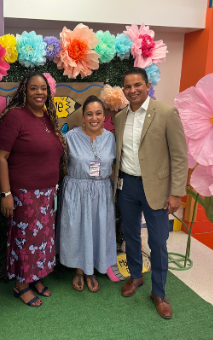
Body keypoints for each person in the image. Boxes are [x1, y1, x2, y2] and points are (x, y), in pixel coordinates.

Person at [111, 66, 189, 320]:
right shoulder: (120, 117)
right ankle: (136, 277)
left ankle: (159, 292)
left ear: (147, 86)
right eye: (128, 86)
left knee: (158, 242)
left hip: (156, 188)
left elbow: (179, 156)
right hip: (127, 186)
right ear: (123, 90)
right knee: (131, 235)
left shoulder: (166, 113)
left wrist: (176, 192)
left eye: (137, 85)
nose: (132, 90)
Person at [0, 72, 66, 307]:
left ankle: (35, 277)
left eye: (43, 88)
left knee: (43, 240)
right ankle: (21, 284)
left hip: (47, 194)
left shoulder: (47, 117)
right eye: (33, 88)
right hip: (24, 194)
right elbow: (1, 157)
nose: (39, 92)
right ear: (25, 91)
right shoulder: (16, 117)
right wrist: (6, 194)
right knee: (25, 241)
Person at [59, 96, 117, 293]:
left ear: (104, 115)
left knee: (98, 228)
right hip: (76, 191)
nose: (94, 118)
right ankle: (79, 269)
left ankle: (92, 269)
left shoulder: (111, 138)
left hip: (102, 191)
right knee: (77, 229)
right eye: (89, 114)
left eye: (98, 113)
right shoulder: (70, 138)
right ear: (83, 117)